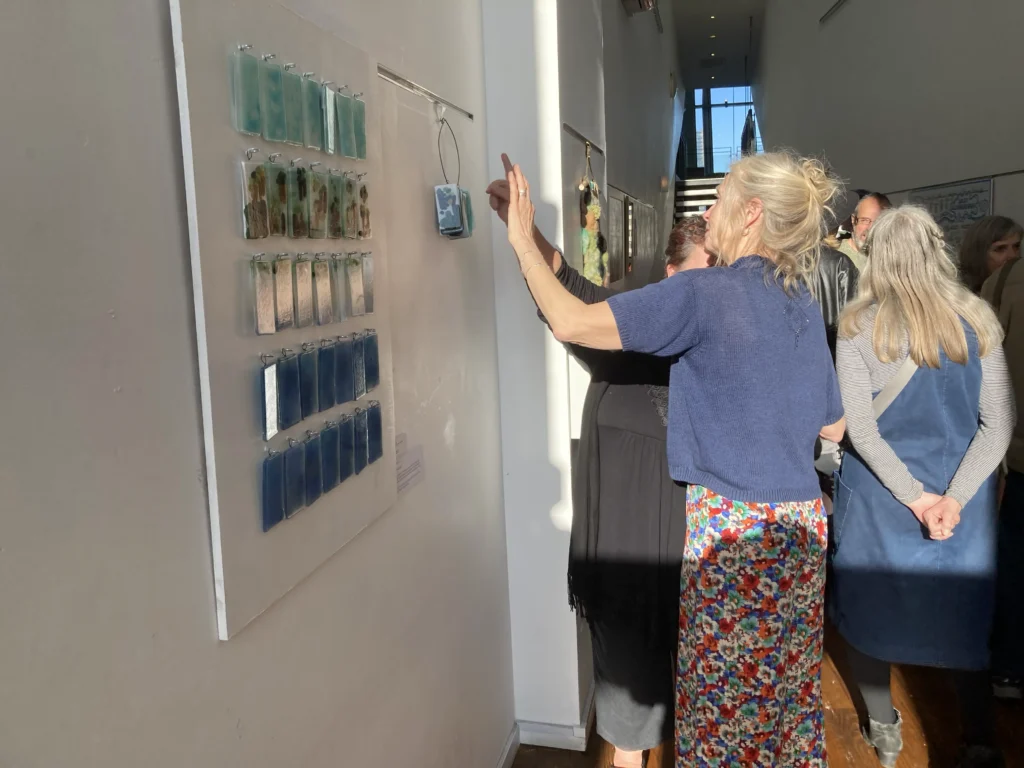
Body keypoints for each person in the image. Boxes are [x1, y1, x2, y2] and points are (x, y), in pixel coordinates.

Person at [493, 151, 845, 767]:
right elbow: (832, 422)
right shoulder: (799, 301)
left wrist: (522, 241)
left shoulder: (708, 291)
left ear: (752, 212)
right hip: (799, 538)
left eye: (720, 197)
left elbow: (572, 320)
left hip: (734, 542)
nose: (708, 210)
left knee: (723, 729)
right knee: (780, 721)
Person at [485, 185, 713, 768]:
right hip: (625, 566)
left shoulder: (723, 350)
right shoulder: (624, 331)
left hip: (698, 562)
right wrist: (524, 231)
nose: (706, 295)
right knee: (629, 722)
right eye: (699, 277)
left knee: (707, 713)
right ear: (669, 277)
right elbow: (568, 292)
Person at [831, 205, 1014, 768]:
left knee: (870, 615)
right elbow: (998, 424)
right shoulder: (979, 320)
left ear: (875, 258)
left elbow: (861, 430)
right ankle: (979, 739)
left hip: (882, 499)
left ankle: (885, 733)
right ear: (939, 250)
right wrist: (953, 499)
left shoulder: (858, 327)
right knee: (962, 617)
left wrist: (915, 497)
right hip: (963, 503)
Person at [979, 218, 1024, 701]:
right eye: (1000, 247)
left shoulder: (1003, 286)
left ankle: (1007, 666)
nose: (1010, 255)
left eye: (1016, 247)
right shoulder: (998, 287)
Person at [961, 215, 1023, 294]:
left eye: (1016, 246)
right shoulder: (961, 297)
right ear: (978, 255)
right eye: (1000, 249)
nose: (1013, 255)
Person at [838, 192, 892, 273]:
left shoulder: (893, 257)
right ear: (853, 220)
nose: (870, 227)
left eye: (878, 222)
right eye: (865, 220)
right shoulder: (838, 259)